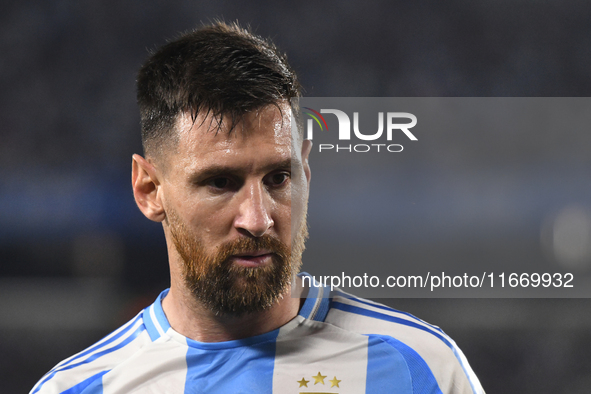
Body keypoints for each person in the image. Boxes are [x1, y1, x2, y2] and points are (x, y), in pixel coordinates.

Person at [31, 22, 484, 394]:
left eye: (278, 178)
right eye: (221, 182)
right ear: (150, 190)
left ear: (306, 172)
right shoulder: (78, 388)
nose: (258, 218)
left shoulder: (421, 368)